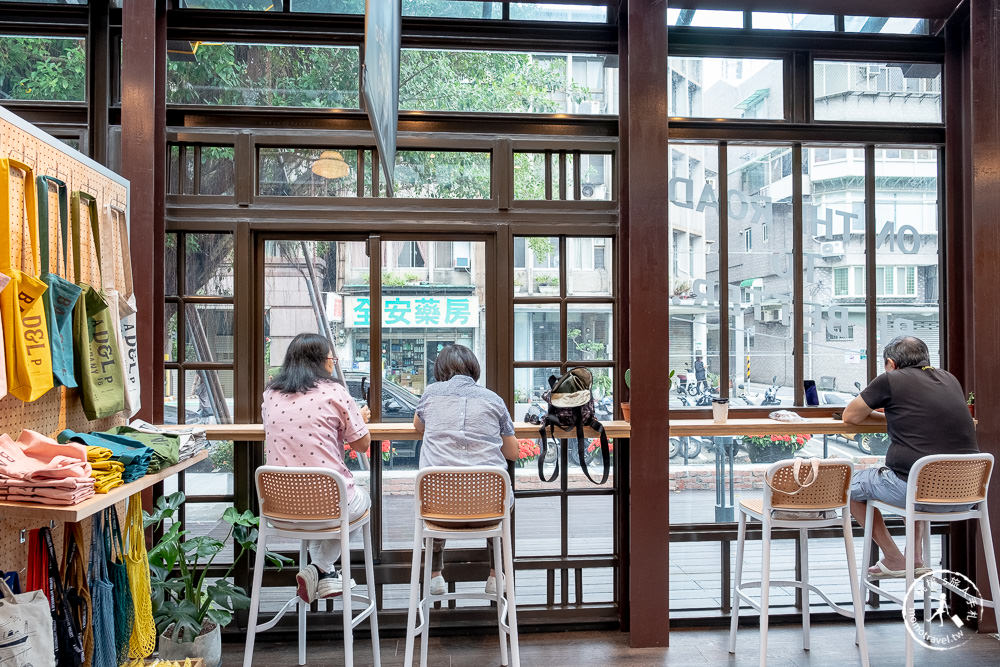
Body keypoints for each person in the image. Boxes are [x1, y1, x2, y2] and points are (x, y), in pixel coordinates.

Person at [843, 336, 978, 578]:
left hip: (918, 491)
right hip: (968, 494)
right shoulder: (949, 379)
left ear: (891, 363)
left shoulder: (891, 380)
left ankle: (894, 557)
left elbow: (850, 417)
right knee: (917, 477)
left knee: (850, 487)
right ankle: (914, 557)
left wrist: (886, 414)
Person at [261, 333, 372, 602]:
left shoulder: (270, 394)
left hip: (279, 508)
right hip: (328, 504)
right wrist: (360, 417)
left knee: (314, 502)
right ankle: (319, 568)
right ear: (321, 362)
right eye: (332, 359)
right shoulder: (334, 392)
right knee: (362, 500)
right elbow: (361, 444)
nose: (334, 364)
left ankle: (327, 576)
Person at [412, 344, 518, 596]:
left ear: (439, 370)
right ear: (474, 369)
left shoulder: (430, 394)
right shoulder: (494, 400)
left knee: (442, 489)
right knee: (500, 502)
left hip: (437, 510)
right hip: (489, 511)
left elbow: (418, 426)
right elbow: (513, 452)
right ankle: (496, 575)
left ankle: (435, 574)